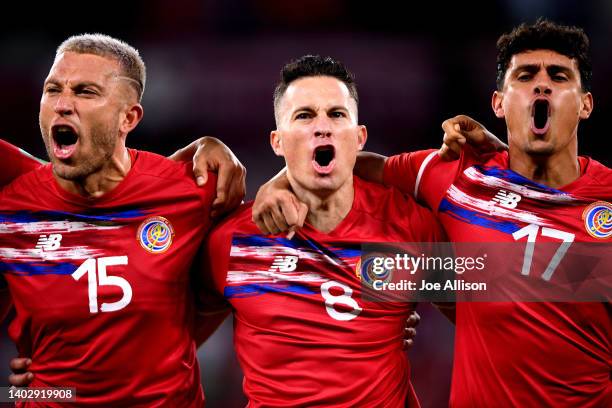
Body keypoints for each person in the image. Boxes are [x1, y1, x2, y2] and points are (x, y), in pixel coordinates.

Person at [253, 20, 612, 407]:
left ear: (585, 104)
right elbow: (343, 161)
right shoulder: (455, 174)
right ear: (499, 102)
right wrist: (278, 181)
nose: (542, 85)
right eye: (525, 76)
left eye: (559, 76)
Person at [0, 34, 244, 406]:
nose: (63, 104)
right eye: (53, 90)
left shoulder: (192, 191)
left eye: (85, 92)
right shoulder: (11, 209)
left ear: (128, 118)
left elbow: (230, 289)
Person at [201, 55, 449, 406]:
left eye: (336, 114)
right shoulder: (233, 241)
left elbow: (483, 319)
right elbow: (178, 338)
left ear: (360, 137)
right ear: (277, 141)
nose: (322, 127)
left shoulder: (408, 227)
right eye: (304, 115)